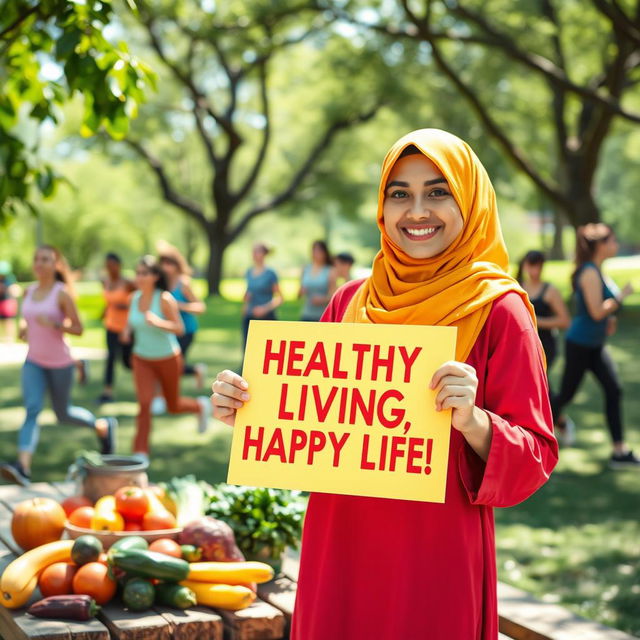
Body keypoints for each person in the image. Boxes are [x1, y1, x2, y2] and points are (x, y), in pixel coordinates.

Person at [211, 129, 558, 639]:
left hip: (434, 559)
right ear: (382, 206)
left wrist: (475, 420)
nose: (417, 210)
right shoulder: (350, 301)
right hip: (339, 547)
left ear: (471, 201)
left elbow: (535, 456)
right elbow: (314, 418)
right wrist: (248, 407)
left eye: (438, 191)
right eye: (400, 193)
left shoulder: (500, 311)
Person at [0, 245, 117, 487]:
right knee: (32, 410)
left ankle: (102, 427)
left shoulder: (61, 293)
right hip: (33, 362)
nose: (40, 264)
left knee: (63, 414)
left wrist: (55, 324)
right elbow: (27, 318)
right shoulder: (29, 291)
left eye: (45, 260)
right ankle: (23, 467)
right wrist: (24, 328)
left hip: (60, 363)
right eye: (37, 259)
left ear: (55, 265)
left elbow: (79, 328)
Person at [552, 223, 638, 468]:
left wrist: (610, 318)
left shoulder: (597, 269)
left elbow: (601, 314)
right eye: (612, 241)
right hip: (579, 344)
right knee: (566, 395)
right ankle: (531, 435)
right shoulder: (589, 271)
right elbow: (596, 311)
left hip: (595, 344)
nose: (616, 245)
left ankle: (619, 452)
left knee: (614, 390)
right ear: (600, 245)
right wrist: (621, 297)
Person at [122, 255, 210, 457]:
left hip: (168, 358)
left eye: (144, 273)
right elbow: (131, 321)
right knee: (145, 404)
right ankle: (140, 452)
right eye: (137, 273)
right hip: (141, 358)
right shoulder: (133, 298)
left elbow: (179, 328)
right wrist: (126, 331)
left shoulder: (164, 298)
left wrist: (157, 322)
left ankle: (199, 406)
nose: (139, 277)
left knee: (173, 405)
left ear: (154, 276)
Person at [158, 243, 207, 388]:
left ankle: (170, 395)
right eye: (163, 263)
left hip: (186, 330)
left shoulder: (183, 283)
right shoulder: (163, 283)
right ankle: (196, 370)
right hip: (169, 329)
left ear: (176, 264)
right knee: (167, 363)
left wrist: (179, 306)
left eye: (169, 263)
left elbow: (200, 307)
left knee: (174, 365)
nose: (165, 267)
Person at [98, 253, 135, 403]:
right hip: (111, 326)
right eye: (108, 265)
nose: (110, 268)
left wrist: (124, 305)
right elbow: (109, 302)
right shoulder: (106, 282)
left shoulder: (128, 283)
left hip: (126, 327)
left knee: (127, 362)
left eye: (113, 265)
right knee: (111, 358)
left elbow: (140, 301)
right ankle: (107, 391)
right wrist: (103, 313)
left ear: (119, 265)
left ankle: (149, 381)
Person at [242, 243, 282, 350]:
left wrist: (264, 308)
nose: (255, 254)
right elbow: (249, 292)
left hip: (266, 317)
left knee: (266, 350)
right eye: (253, 251)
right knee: (249, 348)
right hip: (250, 316)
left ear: (264, 254)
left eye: (257, 251)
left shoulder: (270, 274)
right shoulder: (249, 272)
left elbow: (280, 298)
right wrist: (245, 303)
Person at [299, 240, 337, 321]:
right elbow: (299, 293)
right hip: (307, 313)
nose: (316, 254)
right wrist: (301, 291)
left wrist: (322, 299)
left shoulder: (330, 271)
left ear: (325, 253)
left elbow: (334, 296)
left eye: (319, 251)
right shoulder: (306, 269)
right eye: (314, 251)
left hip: (323, 315)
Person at [0, 260, 21, 342]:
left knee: (9, 320)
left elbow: (15, 289)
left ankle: (10, 338)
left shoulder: (10, 279)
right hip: (1, 301)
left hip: (7, 302)